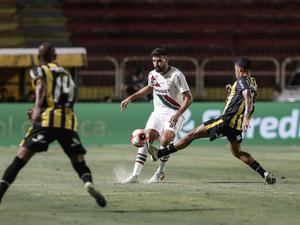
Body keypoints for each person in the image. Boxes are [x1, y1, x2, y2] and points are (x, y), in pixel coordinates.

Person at [0, 42, 107, 207]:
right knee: (78, 160)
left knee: (21, 157)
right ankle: (88, 182)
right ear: (55, 57)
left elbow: (41, 85)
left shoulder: (39, 70)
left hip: (48, 120)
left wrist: (37, 109)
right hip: (68, 122)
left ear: (39, 57)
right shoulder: (66, 73)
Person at [148, 57, 276, 185]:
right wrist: (232, 90)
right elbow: (244, 96)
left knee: (191, 135)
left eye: (235, 70)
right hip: (236, 127)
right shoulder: (252, 81)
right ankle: (264, 173)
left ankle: (160, 153)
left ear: (241, 70)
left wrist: (246, 118)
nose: (235, 72)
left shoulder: (242, 80)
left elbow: (247, 96)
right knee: (237, 152)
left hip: (226, 121)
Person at [120, 48, 193, 183]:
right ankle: (135, 175)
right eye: (154, 61)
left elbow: (189, 98)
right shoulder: (152, 74)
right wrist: (130, 98)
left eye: (159, 61)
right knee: (145, 138)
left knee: (165, 141)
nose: (156, 64)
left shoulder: (176, 75)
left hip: (173, 114)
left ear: (166, 60)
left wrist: (178, 114)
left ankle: (160, 173)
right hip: (157, 113)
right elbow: (148, 88)